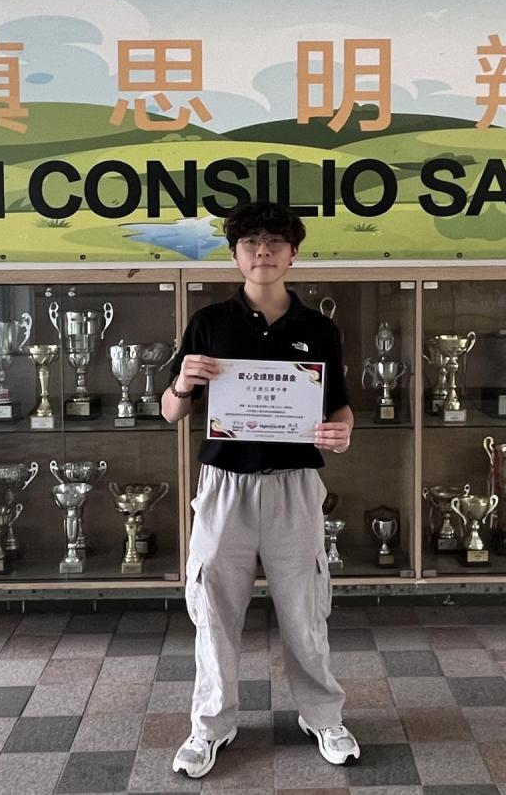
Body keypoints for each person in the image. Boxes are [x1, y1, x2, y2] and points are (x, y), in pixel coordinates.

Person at [162, 201, 360, 779]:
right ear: (235, 255)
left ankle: (323, 717)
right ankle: (211, 725)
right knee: (214, 610)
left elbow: (339, 406)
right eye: (251, 243)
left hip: (294, 485)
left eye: (275, 242)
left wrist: (343, 432)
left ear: (293, 254)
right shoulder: (209, 322)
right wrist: (183, 381)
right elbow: (171, 410)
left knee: (305, 609)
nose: (263, 252)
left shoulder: (318, 329)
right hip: (224, 485)